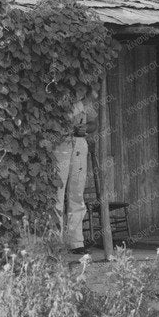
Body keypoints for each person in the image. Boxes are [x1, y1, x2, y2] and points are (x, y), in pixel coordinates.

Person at [53, 95, 96, 252]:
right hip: (60, 143)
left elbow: (93, 123)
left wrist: (86, 128)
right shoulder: (58, 94)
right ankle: (56, 242)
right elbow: (53, 122)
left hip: (79, 143)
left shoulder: (85, 100)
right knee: (57, 193)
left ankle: (76, 242)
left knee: (77, 193)